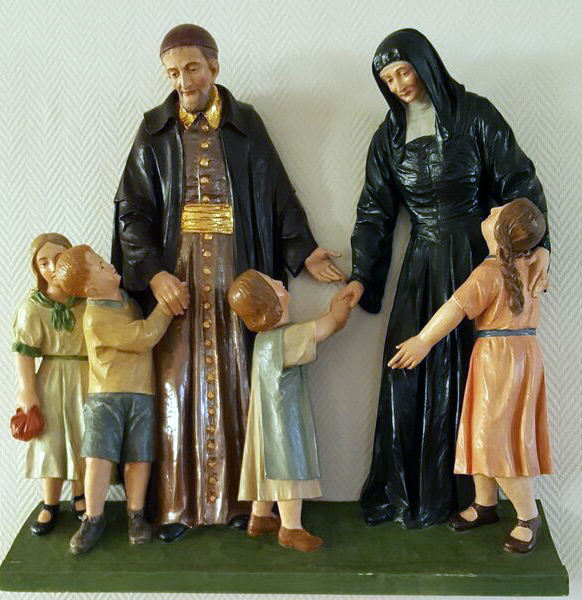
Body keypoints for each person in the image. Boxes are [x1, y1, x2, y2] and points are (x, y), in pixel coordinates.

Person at [111, 24, 344, 542]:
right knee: (175, 381)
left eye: (192, 68)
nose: (183, 81)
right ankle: (176, 505)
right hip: (178, 273)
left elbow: (276, 191)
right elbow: (132, 211)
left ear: (214, 66)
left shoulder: (245, 124)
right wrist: (154, 273)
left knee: (241, 375)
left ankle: (244, 502)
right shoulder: (154, 130)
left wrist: (303, 249)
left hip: (235, 271)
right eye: (173, 73)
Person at [337, 29, 550, 528]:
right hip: (423, 265)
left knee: (478, 378)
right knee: (409, 365)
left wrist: (540, 246)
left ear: (426, 63)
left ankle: (481, 499)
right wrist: (361, 276)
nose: (399, 85)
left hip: (478, 258)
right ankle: (413, 493)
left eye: (404, 71)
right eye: (388, 80)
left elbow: (520, 182)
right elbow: (374, 212)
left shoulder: (476, 115)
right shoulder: (389, 138)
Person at [389, 198, 551, 553]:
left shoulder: (490, 272)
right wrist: (543, 251)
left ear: (503, 232)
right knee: (482, 432)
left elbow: (455, 308)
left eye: (497, 213)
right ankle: (485, 502)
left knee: (496, 439)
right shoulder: (531, 264)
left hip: (499, 361)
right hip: (516, 357)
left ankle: (527, 516)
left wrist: (423, 340)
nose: (490, 211)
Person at [54, 245, 183, 553]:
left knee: (139, 456)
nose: (108, 265)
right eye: (99, 267)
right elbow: (142, 336)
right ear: (90, 290)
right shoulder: (97, 317)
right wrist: (167, 307)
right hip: (106, 396)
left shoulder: (127, 300)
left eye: (102, 261)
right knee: (99, 458)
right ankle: (93, 517)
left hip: (141, 392)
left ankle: (135, 514)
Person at [228, 269, 351, 552]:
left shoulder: (266, 339)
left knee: (266, 469)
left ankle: (260, 517)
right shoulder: (285, 338)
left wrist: (335, 318)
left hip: (266, 420)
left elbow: (320, 331)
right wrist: (338, 310)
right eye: (272, 284)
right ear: (268, 301)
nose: (280, 281)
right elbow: (325, 328)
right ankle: (291, 528)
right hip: (283, 421)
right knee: (287, 471)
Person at [13, 233, 87, 535]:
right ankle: (50, 502)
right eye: (43, 262)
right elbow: (24, 352)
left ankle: (81, 495)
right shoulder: (33, 307)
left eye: (58, 258)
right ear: (36, 268)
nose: (52, 268)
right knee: (51, 440)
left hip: (85, 376)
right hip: (51, 378)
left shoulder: (88, 301)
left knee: (84, 435)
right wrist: (27, 388)